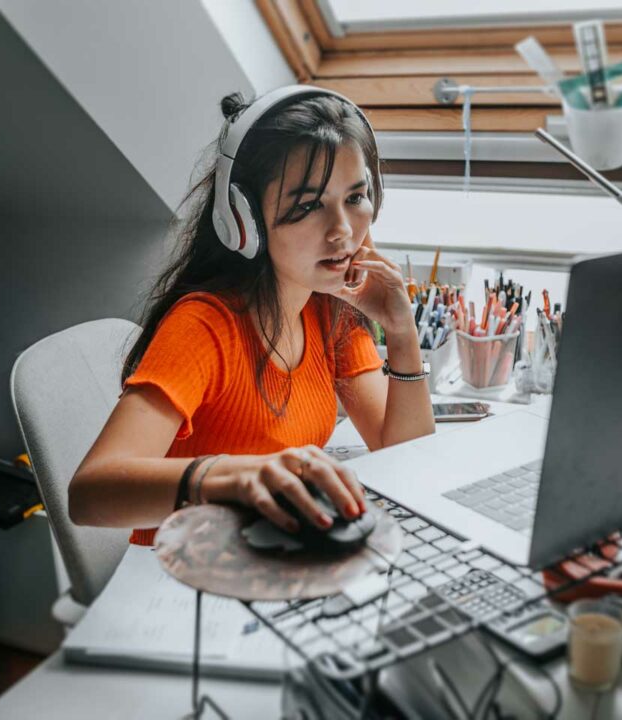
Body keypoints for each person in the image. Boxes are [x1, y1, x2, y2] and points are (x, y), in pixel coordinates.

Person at [69, 86, 435, 545]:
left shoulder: (329, 309)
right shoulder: (203, 326)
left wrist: (402, 332)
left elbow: (407, 454)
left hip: (271, 556)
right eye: (307, 206)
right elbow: (88, 494)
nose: (342, 231)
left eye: (355, 198)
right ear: (244, 220)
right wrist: (235, 477)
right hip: (182, 578)